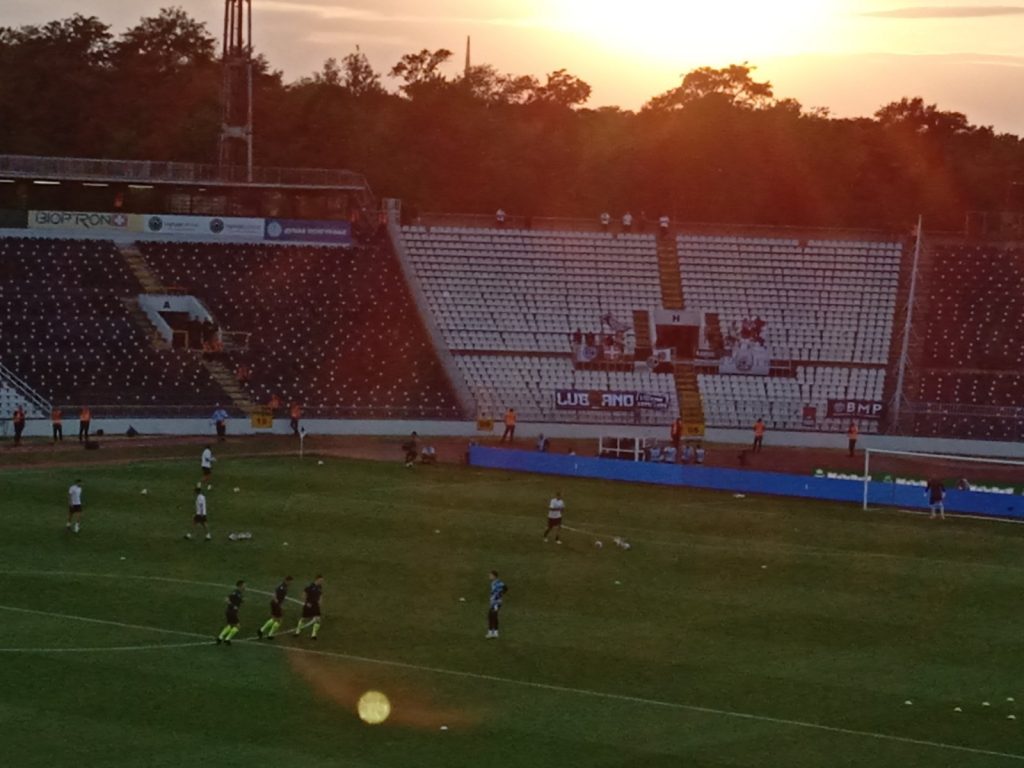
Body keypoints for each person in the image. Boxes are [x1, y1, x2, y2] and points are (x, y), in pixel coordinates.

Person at [257, 575, 294, 640]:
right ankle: (269, 634)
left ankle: (261, 630)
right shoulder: (282, 587)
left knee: (274, 619)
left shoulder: (284, 587)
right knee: (279, 620)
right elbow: (275, 593)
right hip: (276, 604)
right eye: (290, 582)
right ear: (286, 581)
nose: (290, 583)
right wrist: (277, 603)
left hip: (275, 604)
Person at [294, 574, 324, 640]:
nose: (321, 582)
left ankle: (313, 635)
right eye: (321, 580)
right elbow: (304, 594)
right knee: (303, 618)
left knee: (318, 620)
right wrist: (306, 603)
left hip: (315, 605)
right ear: (317, 579)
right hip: (309, 605)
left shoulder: (320, 587)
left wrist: (320, 601)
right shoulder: (310, 586)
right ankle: (297, 631)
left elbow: (320, 594)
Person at [215, 580, 245, 645]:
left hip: (230, 611)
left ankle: (220, 638)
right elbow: (226, 599)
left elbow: (236, 600)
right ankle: (227, 639)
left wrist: (241, 601)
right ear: (240, 586)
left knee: (230, 625)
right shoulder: (235, 592)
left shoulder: (239, 593)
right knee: (238, 626)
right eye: (243, 585)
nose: (245, 587)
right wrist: (233, 606)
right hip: (232, 611)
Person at [486, 570, 508, 639]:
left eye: (490, 575)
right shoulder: (493, 583)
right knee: (490, 616)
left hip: (496, 602)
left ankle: (494, 633)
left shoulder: (498, 582)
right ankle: (491, 632)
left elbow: (505, 588)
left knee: (493, 616)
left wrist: (500, 594)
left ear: (494, 576)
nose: (489, 576)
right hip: (493, 602)